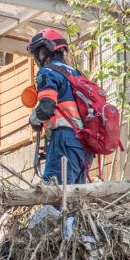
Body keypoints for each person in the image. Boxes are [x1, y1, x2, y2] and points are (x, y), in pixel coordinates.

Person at [26, 29, 90, 184]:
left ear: (43, 52)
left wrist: (34, 119)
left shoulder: (47, 72)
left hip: (64, 140)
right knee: (73, 201)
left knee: (54, 196)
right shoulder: (77, 74)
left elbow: (47, 107)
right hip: (84, 145)